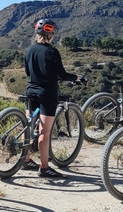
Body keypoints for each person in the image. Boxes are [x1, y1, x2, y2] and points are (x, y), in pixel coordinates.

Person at [21, 18, 86, 178]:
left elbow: (28, 73)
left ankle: (25, 159)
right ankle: (44, 167)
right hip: (47, 93)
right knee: (45, 132)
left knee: (29, 125)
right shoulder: (51, 52)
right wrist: (78, 77)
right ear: (50, 34)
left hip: (30, 90)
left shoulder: (28, 50)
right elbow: (62, 75)